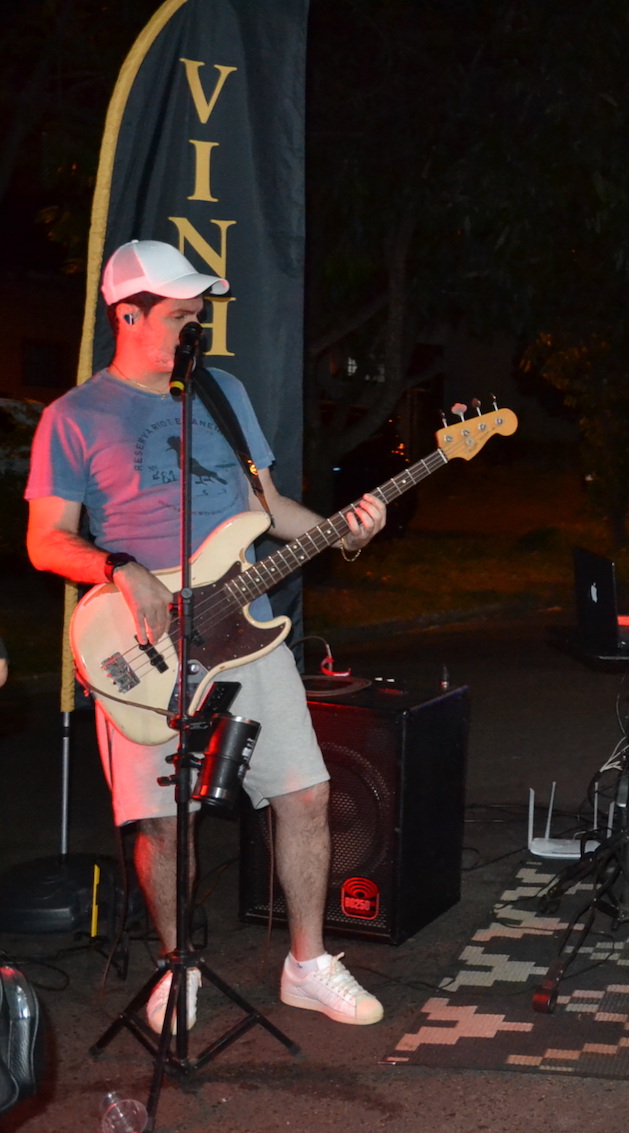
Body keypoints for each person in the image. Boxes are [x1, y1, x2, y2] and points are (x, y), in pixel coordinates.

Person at [25, 240, 389, 1032]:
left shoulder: (223, 393)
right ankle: (176, 964)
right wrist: (120, 567)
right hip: (143, 644)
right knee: (165, 822)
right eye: (182, 315)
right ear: (128, 315)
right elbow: (44, 540)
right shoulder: (74, 417)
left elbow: (268, 508)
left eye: (201, 314)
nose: (199, 328)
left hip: (246, 635)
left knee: (307, 792)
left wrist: (343, 531)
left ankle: (307, 963)